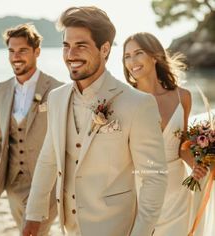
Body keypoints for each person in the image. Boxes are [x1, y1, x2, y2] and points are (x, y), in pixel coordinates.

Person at [23, 7, 167, 236]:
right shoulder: (57, 98)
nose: (70, 55)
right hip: (69, 228)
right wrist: (33, 214)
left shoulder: (137, 104)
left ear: (105, 49)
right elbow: (48, 158)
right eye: (66, 46)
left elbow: (154, 179)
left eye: (81, 46)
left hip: (116, 227)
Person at [0, 23, 63, 235]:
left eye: (23, 50)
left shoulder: (57, 89)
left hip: (47, 185)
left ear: (37, 52)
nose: (16, 57)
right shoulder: (1, 90)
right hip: (13, 186)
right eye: (11, 51)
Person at [122, 32, 208, 236]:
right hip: (138, 188)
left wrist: (195, 164)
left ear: (155, 56)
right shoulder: (124, 99)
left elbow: (182, 145)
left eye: (138, 53)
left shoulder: (183, 97)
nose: (131, 61)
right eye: (127, 56)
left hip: (176, 191)